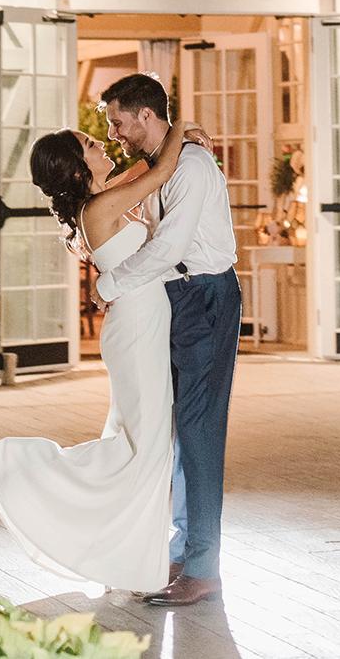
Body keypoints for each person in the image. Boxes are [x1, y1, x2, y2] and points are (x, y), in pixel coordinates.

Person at [0, 107, 207, 595]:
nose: (103, 143)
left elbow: (145, 166)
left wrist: (167, 139)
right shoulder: (98, 209)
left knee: (141, 443)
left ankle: (128, 557)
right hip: (137, 327)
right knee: (147, 448)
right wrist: (181, 125)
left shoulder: (102, 197)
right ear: (79, 168)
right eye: (90, 144)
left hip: (142, 322)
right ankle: (34, 478)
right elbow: (160, 171)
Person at [99, 72, 240, 609]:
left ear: (145, 115)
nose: (113, 133)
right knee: (179, 430)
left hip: (206, 297)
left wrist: (110, 284)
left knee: (200, 432)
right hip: (177, 298)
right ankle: (182, 554)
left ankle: (203, 568)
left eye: (117, 122)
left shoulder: (193, 167)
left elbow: (171, 246)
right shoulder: (162, 166)